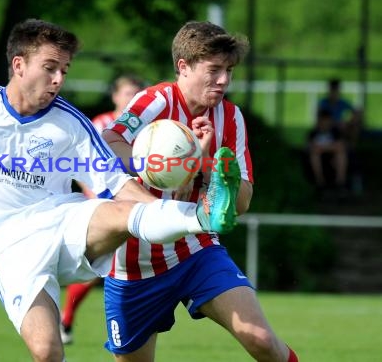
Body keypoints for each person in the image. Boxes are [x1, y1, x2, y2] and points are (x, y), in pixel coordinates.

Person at [0, 18, 241, 362]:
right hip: (3, 244)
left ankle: (204, 216)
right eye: (50, 68)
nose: (58, 79)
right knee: (47, 350)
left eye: (64, 71)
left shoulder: (70, 124)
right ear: (19, 66)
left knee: (122, 212)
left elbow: (120, 186)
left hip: (60, 218)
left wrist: (186, 208)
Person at [101, 21, 298, 362]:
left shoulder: (230, 118)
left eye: (229, 70)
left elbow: (241, 203)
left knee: (262, 339)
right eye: (214, 70)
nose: (224, 81)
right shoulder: (155, 101)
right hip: (135, 263)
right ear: (184, 66)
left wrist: (206, 166)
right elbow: (110, 142)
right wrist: (157, 164)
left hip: (196, 250)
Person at [60, 74, 146, 345]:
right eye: (126, 93)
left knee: (130, 267)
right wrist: (92, 194)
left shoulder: (149, 128)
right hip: (102, 205)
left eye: (136, 93)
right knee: (98, 268)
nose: (131, 98)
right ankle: (65, 319)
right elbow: (77, 164)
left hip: (134, 204)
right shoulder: (100, 124)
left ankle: (134, 327)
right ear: (115, 96)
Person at [307, 108, 348, 194]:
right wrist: (331, 147)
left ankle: (340, 183)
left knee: (341, 155)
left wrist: (322, 148)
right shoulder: (313, 133)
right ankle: (320, 182)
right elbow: (312, 147)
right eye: (322, 121)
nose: (324, 123)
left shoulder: (335, 132)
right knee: (314, 155)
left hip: (332, 157)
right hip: (320, 158)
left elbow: (340, 146)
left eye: (326, 121)